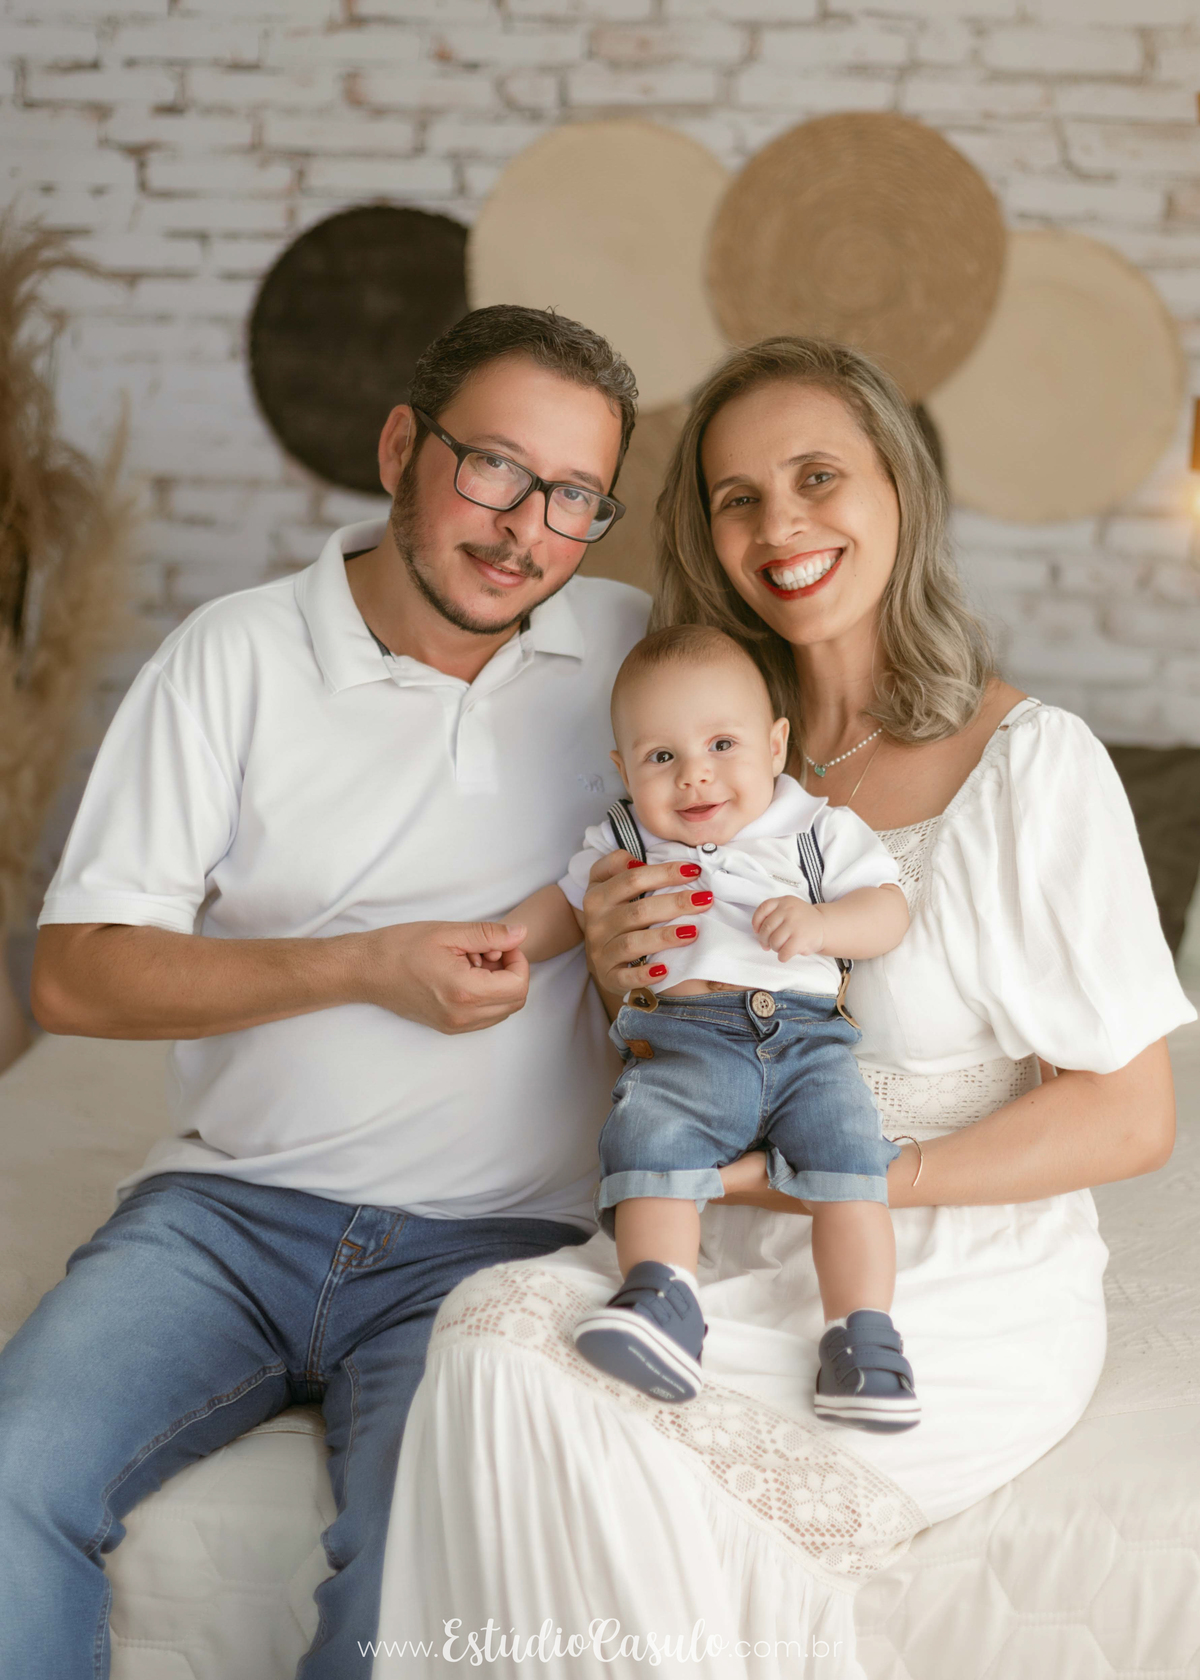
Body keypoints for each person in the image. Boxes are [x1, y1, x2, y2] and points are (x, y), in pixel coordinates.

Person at [373, 337, 1195, 1679]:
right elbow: (650, 1070)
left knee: (541, 1389)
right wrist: (618, 970)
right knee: (485, 1335)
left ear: (899, 489)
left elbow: (1132, 1118)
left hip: (947, 1278)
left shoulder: (1030, 766)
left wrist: (836, 1182)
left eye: (819, 477)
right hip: (713, 1242)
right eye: (738, 498)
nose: (780, 527)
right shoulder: (696, 767)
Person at [0, 305, 664, 1678]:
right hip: (222, 1222)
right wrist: (362, 964)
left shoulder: (634, 653)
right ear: (403, 446)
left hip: (496, 1247)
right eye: (494, 467)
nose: (525, 529)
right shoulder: (230, 656)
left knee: (431, 1576)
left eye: (573, 496)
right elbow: (73, 973)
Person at [504, 621, 916, 1423]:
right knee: (648, 1141)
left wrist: (822, 925)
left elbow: (888, 911)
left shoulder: (815, 829)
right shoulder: (627, 838)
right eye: (662, 757)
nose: (694, 776)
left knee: (851, 1170)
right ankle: (663, 1299)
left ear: (775, 744)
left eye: (722, 745)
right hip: (685, 1046)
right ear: (625, 769)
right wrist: (504, 943)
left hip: (809, 1046)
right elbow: (566, 905)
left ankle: (864, 1337)